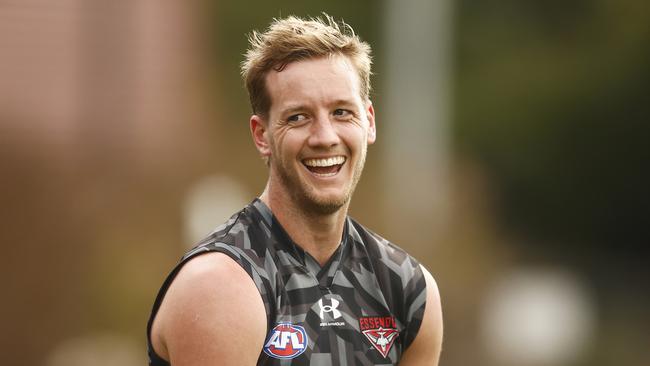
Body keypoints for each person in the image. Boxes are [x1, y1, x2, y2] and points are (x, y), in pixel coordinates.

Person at [147, 14, 443, 365]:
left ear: (369, 122)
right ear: (262, 135)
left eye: (342, 112)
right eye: (298, 117)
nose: (325, 137)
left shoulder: (406, 289)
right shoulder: (221, 287)